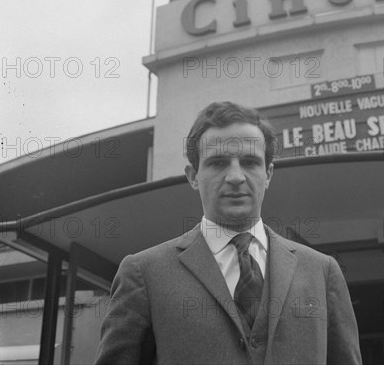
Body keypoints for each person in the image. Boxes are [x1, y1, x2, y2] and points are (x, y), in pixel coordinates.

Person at [94, 101, 361, 365]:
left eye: (249, 162)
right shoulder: (143, 274)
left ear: (268, 174)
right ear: (192, 176)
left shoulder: (322, 271)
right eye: (218, 163)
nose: (235, 176)